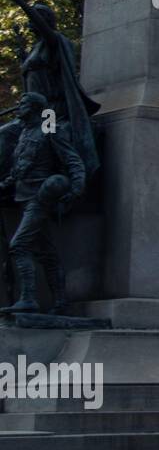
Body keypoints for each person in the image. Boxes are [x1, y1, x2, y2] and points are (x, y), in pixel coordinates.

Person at [1, 0, 99, 178]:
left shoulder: (55, 41)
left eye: (36, 16)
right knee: (6, 134)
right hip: (32, 111)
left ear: (45, 21)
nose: (30, 21)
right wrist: (24, 58)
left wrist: (20, 2)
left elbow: (47, 34)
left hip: (51, 111)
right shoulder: (36, 48)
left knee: (46, 140)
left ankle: (54, 183)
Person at [0, 92, 85, 312]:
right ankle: (61, 302)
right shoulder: (24, 133)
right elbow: (20, 169)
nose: (19, 106)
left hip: (40, 197)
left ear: (37, 108)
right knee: (46, 252)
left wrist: (76, 188)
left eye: (25, 104)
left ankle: (28, 299)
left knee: (19, 246)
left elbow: (72, 159)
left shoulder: (49, 130)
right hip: (22, 196)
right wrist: (5, 184)